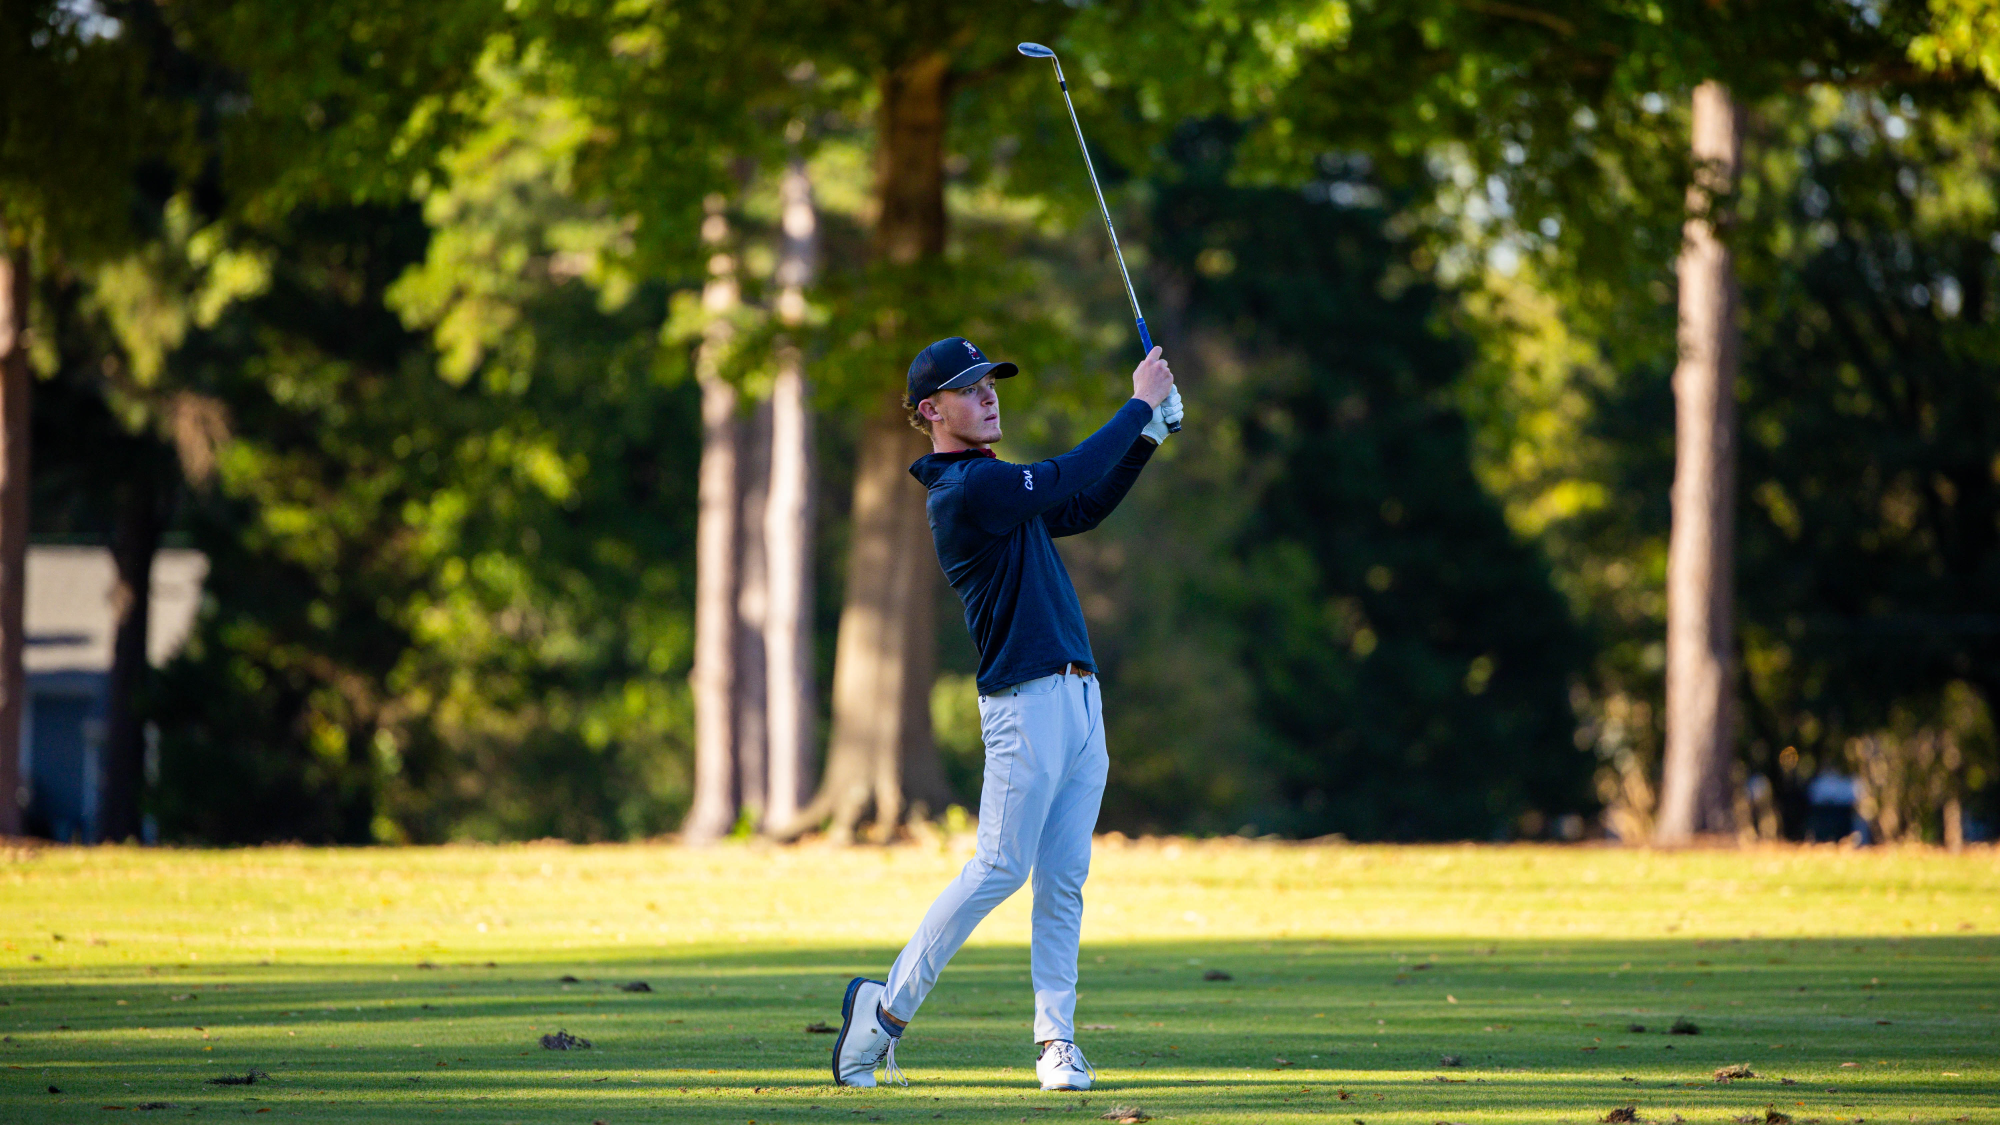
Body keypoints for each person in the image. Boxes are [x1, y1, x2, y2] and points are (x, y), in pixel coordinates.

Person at [830, 336, 1183, 1092]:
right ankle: (883, 1014)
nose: (989, 394)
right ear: (931, 410)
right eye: (970, 387)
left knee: (1063, 878)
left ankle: (1057, 1043)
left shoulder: (997, 486)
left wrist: (1146, 437)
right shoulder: (966, 491)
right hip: (1024, 702)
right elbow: (1064, 474)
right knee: (999, 868)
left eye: (991, 382)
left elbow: (1081, 504)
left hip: (1079, 698)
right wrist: (1139, 403)